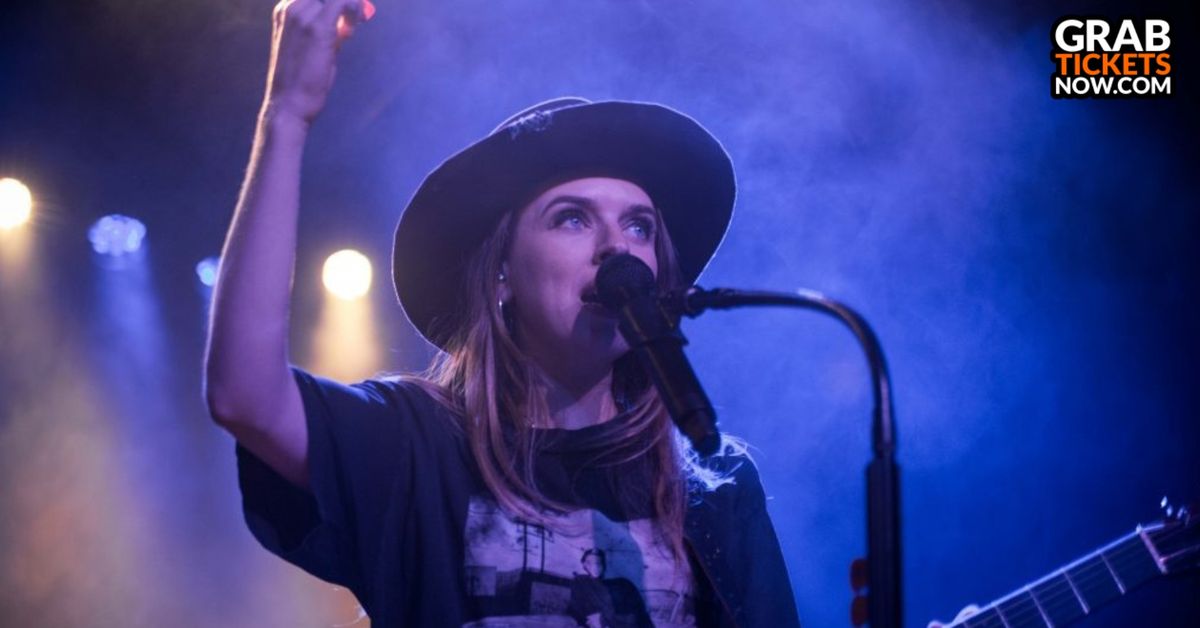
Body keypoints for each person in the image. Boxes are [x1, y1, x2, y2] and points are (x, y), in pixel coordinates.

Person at [204, 1, 801, 626]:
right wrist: (287, 118)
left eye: (639, 225)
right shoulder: (413, 445)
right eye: (572, 218)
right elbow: (243, 396)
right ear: (501, 276)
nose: (616, 246)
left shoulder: (711, 483)